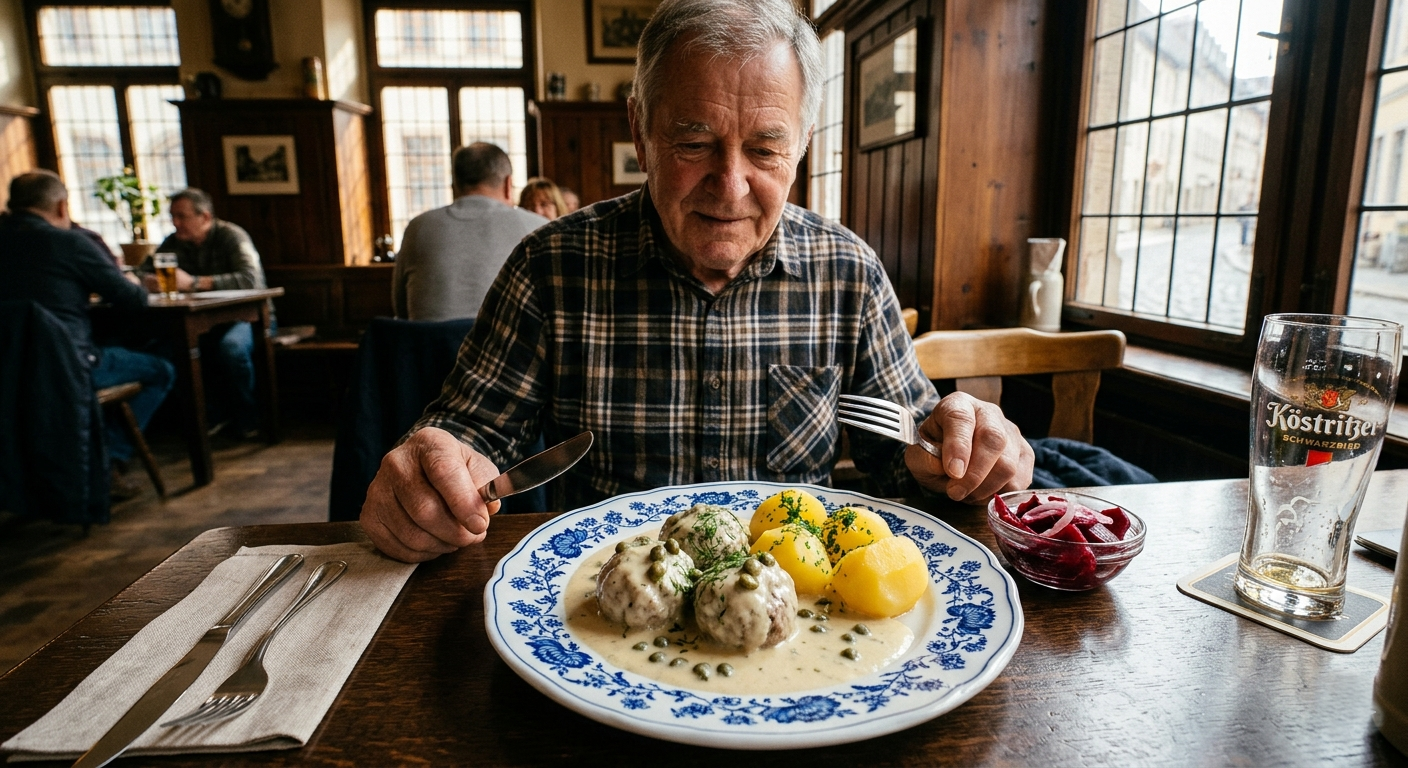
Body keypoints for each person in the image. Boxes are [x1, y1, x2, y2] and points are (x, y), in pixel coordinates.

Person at [360, 0, 1034, 563]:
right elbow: (470, 432)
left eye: (766, 150)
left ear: (801, 145)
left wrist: (962, 459)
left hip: (798, 618)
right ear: (640, 128)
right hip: (607, 609)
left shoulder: (848, 273)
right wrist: (433, 470)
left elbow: (905, 459)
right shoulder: (550, 267)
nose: (730, 186)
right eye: (694, 143)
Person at [0, 171, 175, 499]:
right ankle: (107, 461)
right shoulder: (69, 242)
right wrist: (134, 281)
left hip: (9, 374)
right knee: (161, 369)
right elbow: (131, 299)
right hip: (65, 367)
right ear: (62, 206)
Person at [141, 188, 267, 438]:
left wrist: (195, 283)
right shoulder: (173, 242)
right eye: (172, 217)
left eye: (182, 216)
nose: (176, 223)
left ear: (205, 217)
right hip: (201, 321)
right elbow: (141, 272)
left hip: (249, 319)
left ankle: (248, 419)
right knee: (169, 350)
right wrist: (148, 280)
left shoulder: (231, 236)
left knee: (231, 348)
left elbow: (250, 279)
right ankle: (209, 417)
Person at [392, 143, 549, 321]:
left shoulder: (418, 227)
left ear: (455, 185)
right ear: (508, 184)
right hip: (505, 348)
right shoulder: (538, 228)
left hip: (429, 347)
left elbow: (401, 310)